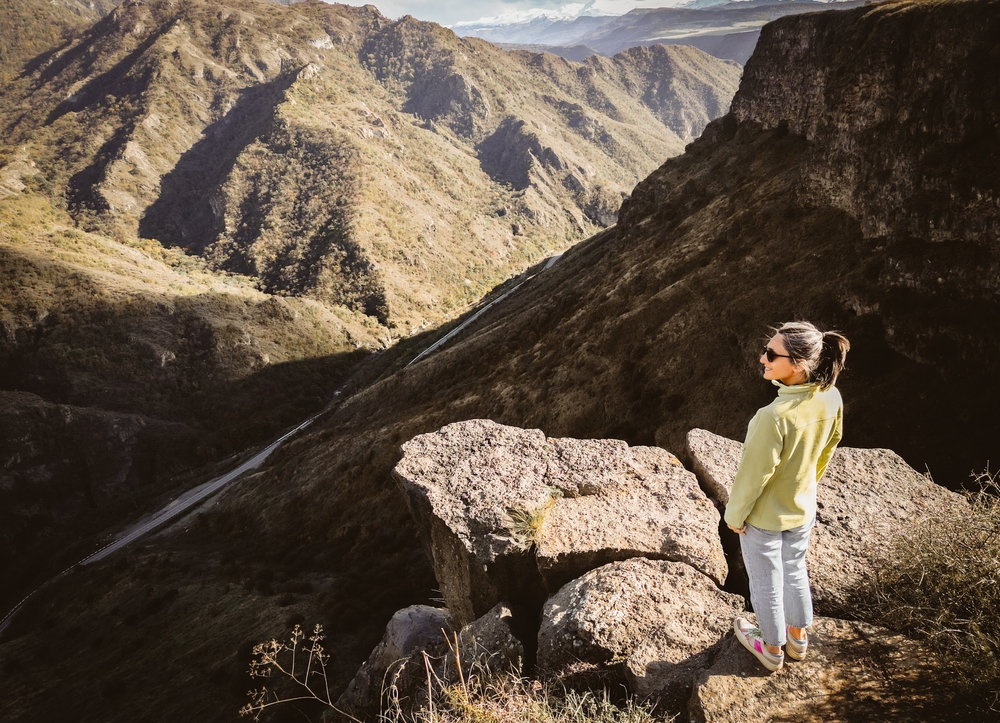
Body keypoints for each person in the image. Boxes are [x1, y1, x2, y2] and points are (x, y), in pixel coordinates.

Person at [724, 321, 850, 672]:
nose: (762, 357)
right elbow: (829, 447)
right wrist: (805, 484)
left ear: (798, 365)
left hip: (765, 518)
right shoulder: (831, 398)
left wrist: (735, 516)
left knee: (765, 582)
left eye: (771, 354)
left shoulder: (773, 417)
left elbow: (753, 477)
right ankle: (798, 639)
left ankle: (772, 648)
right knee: (795, 571)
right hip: (803, 507)